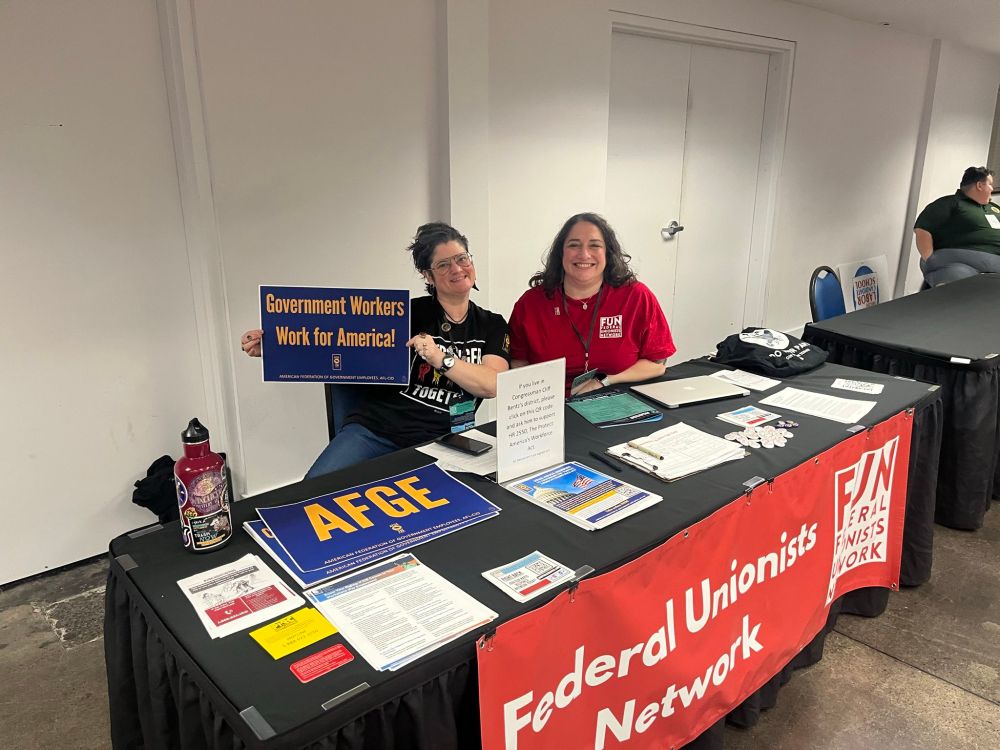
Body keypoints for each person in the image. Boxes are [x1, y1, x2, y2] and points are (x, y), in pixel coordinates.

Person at [241, 222, 510, 478]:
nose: (457, 269)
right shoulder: (404, 313)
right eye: (443, 264)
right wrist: (275, 348)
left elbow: (491, 384)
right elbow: (337, 343)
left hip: (445, 439)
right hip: (377, 431)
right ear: (428, 275)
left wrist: (440, 357)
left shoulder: (491, 325)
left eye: (462, 258)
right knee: (315, 490)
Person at [508, 212, 675, 395]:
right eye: (574, 245)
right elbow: (518, 364)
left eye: (594, 245)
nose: (584, 254)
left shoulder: (636, 297)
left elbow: (657, 363)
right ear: (560, 253)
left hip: (618, 401)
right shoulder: (531, 304)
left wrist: (606, 380)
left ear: (608, 253)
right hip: (552, 408)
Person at [914, 166, 1000, 286]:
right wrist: (929, 258)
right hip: (959, 261)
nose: (992, 188)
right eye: (990, 184)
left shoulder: (994, 209)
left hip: (995, 265)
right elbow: (923, 229)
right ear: (980, 186)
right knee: (958, 284)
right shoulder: (950, 203)